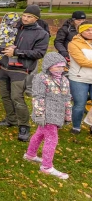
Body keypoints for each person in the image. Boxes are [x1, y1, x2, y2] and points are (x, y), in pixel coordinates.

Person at [0, 5, 49, 142]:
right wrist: (1, 47)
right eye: (24, 15)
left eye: (29, 17)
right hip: (4, 66)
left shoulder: (41, 34)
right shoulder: (13, 27)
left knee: (17, 97)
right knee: (5, 96)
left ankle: (24, 126)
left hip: (21, 69)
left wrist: (16, 52)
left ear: (36, 18)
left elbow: (39, 53)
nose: (25, 18)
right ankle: (10, 119)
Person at [24, 52, 71, 180]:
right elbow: (38, 97)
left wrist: (67, 115)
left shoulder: (65, 80)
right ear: (48, 66)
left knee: (40, 133)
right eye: (57, 66)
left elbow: (67, 98)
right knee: (52, 138)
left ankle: (30, 154)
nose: (60, 69)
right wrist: (40, 115)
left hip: (58, 114)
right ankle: (46, 167)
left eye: (63, 67)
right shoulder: (41, 78)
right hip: (46, 114)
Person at [67, 22, 92, 135]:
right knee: (79, 104)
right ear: (81, 31)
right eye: (87, 30)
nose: (90, 32)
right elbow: (82, 61)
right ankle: (76, 126)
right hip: (79, 78)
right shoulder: (74, 44)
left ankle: (91, 124)